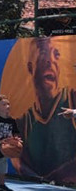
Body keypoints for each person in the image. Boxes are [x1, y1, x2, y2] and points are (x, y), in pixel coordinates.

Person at [18, 37, 76, 180]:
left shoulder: (72, 98)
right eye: (44, 54)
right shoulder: (24, 122)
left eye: (56, 55)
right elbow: (20, 163)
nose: (51, 61)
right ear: (30, 67)